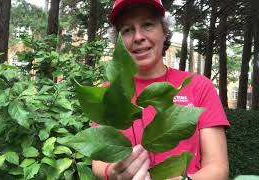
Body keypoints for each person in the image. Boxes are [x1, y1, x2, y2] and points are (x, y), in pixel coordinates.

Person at [91, 0, 230, 179]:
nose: (138, 37)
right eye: (127, 30)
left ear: (164, 31)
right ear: (118, 41)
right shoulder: (109, 93)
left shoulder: (199, 86)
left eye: (147, 25)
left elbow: (218, 168)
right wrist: (112, 173)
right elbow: (99, 160)